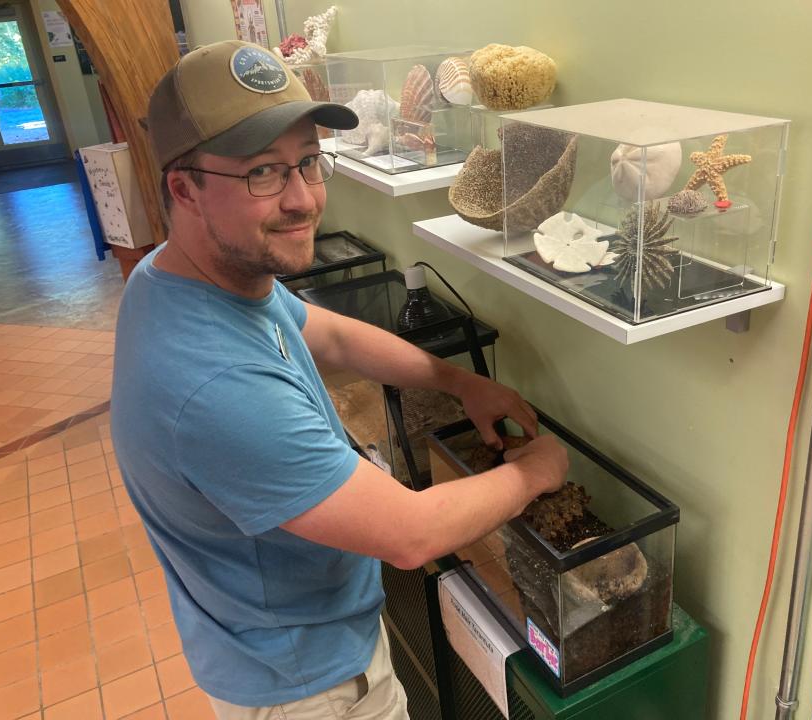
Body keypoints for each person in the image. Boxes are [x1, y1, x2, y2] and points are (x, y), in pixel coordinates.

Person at [111, 40, 568, 720]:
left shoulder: (187, 276)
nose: (302, 199)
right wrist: (538, 473)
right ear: (185, 188)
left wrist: (457, 381)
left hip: (280, 633)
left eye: (307, 162)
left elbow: (329, 333)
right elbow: (410, 533)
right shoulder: (213, 385)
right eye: (262, 173)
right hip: (306, 687)